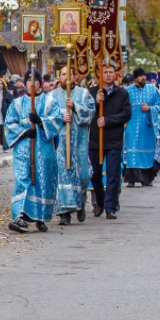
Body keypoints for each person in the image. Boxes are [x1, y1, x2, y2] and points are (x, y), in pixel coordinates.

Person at [4, 69, 63, 233]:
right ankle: (19, 217)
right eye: (28, 80)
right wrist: (24, 132)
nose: (31, 83)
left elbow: (57, 121)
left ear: (39, 83)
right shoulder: (16, 103)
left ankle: (40, 217)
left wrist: (41, 122)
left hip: (43, 151)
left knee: (42, 182)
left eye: (34, 80)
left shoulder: (50, 102)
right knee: (23, 179)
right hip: (23, 150)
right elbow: (9, 124)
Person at [53, 66, 96, 226]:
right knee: (63, 176)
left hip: (79, 143)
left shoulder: (84, 93)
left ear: (74, 76)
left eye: (68, 74)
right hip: (61, 146)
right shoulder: (53, 95)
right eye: (63, 74)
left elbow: (91, 112)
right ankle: (64, 213)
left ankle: (81, 203)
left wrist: (76, 107)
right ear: (60, 76)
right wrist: (60, 117)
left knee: (83, 175)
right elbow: (47, 116)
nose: (66, 77)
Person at [88, 64, 131, 220]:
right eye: (104, 72)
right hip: (95, 139)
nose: (107, 75)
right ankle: (99, 201)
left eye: (110, 72)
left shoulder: (122, 93)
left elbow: (126, 114)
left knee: (113, 174)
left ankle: (110, 206)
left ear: (115, 75)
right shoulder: (92, 92)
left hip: (113, 139)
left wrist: (108, 121)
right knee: (95, 174)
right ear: (100, 74)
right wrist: (96, 101)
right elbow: (85, 113)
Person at [124, 67, 160, 188]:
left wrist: (150, 109)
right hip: (132, 127)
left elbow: (159, 106)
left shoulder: (152, 89)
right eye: (141, 76)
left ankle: (147, 179)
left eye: (144, 75)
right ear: (135, 78)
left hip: (147, 127)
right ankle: (131, 180)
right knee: (132, 153)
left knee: (147, 153)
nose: (143, 78)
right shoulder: (127, 91)